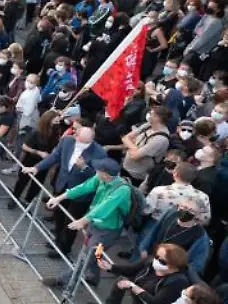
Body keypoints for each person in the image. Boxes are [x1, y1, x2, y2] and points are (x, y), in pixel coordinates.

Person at [42, 158, 134, 288]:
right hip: (95, 224)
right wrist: (60, 198)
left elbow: (105, 207)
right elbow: (83, 187)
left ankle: (62, 281)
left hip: (107, 232)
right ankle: (93, 278)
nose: (95, 172)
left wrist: (83, 221)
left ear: (106, 174)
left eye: (98, 170)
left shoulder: (122, 190)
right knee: (94, 254)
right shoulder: (100, 179)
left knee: (87, 257)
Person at [23, 126, 107, 258]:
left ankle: (64, 248)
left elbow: (99, 178)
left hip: (81, 194)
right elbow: (54, 157)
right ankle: (57, 240)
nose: (83, 144)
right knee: (58, 215)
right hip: (62, 185)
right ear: (76, 135)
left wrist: (84, 167)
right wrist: (37, 168)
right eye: (81, 140)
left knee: (71, 221)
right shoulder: (67, 141)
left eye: (87, 142)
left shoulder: (100, 153)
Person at [97, 243, 190, 304]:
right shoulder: (150, 261)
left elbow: (155, 302)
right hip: (138, 296)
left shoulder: (177, 282)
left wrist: (132, 286)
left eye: (161, 260)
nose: (156, 260)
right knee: (120, 280)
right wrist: (110, 267)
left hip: (146, 300)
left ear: (174, 266)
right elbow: (132, 269)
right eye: (156, 256)